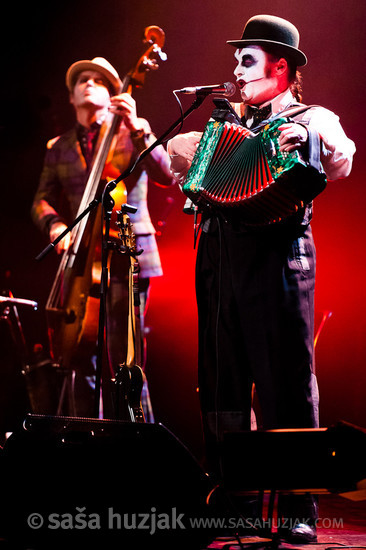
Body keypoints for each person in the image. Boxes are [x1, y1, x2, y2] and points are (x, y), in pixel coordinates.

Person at [168, 15, 355, 543]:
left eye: (246, 59)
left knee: (285, 382)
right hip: (220, 259)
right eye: (236, 59)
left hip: (279, 259)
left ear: (281, 66)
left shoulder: (312, 116)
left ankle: (299, 506)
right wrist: (180, 150)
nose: (235, 68)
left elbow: (340, 159)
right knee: (222, 380)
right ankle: (231, 497)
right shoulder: (228, 123)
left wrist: (309, 136)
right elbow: (178, 159)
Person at [32, 56, 174, 420]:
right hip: (81, 260)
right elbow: (42, 199)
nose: (89, 83)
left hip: (128, 254)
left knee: (123, 355)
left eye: (98, 79)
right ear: (71, 96)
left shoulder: (132, 132)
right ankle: (85, 442)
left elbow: (167, 174)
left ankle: (138, 440)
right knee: (79, 356)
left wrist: (139, 126)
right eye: (82, 80)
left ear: (113, 93)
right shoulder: (58, 147)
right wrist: (54, 226)